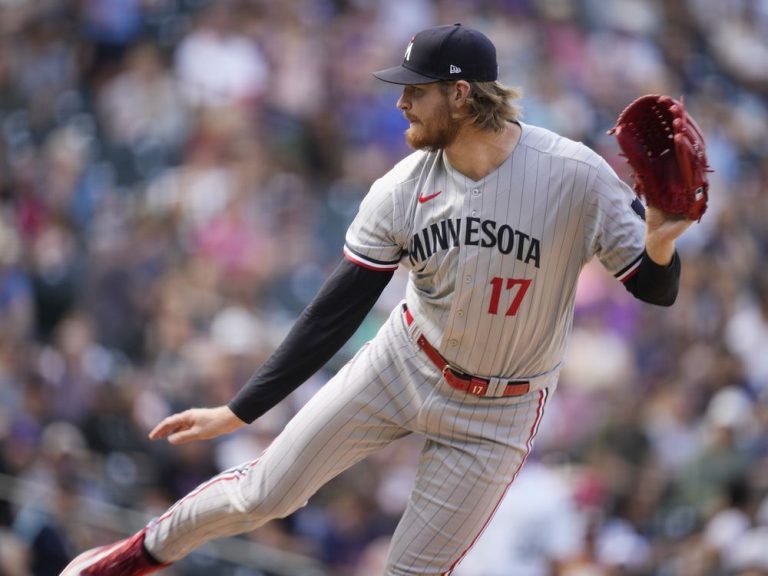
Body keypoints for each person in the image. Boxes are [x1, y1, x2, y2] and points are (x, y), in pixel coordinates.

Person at [62, 23, 692, 576]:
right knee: (263, 494)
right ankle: (131, 558)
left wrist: (661, 242)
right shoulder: (402, 188)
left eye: (416, 90)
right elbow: (335, 311)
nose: (401, 102)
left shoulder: (575, 175)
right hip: (405, 361)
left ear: (461, 94)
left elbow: (651, 288)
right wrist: (240, 410)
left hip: (500, 411)